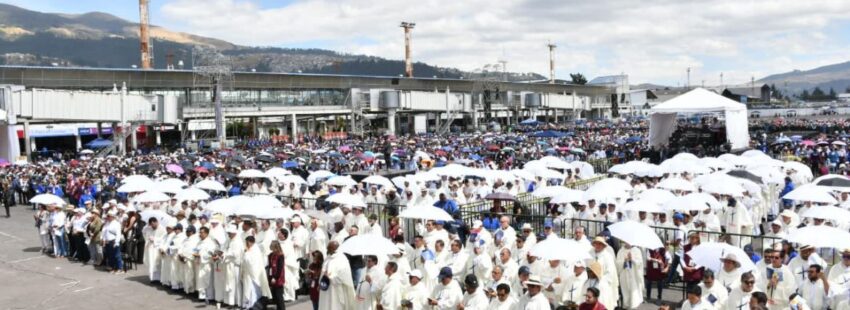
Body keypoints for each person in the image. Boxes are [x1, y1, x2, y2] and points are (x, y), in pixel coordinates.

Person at [318, 241, 356, 310]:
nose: (327, 250)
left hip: (336, 290)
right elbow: (322, 272)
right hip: (326, 290)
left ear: (334, 248)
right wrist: (321, 280)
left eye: (328, 248)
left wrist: (330, 277)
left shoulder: (342, 259)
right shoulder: (327, 258)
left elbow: (344, 277)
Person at [241, 235, 271, 309]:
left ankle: (253, 305)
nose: (246, 244)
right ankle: (248, 304)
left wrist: (246, 253)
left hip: (253, 274)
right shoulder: (251, 249)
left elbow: (251, 263)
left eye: (247, 242)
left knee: (252, 291)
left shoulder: (255, 250)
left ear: (250, 242)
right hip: (248, 273)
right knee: (248, 290)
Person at [616, 242, 645, 309]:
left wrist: (632, 259)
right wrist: (624, 260)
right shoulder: (621, 251)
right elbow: (617, 263)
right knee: (625, 295)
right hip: (624, 275)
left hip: (634, 276)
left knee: (634, 296)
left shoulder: (637, 250)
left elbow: (640, 263)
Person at [142, 217, 166, 282]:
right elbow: (144, 232)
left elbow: (164, 239)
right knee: (151, 263)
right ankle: (152, 278)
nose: (152, 226)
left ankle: (159, 278)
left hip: (157, 248)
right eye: (151, 224)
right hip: (150, 248)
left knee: (157, 263)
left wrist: (155, 239)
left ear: (156, 222)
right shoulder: (148, 228)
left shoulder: (162, 229)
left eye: (153, 224)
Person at [268, 240, 287, 310]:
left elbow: (280, 268)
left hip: (278, 278)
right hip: (272, 277)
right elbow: (270, 267)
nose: (273, 250)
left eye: (273, 248)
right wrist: (270, 278)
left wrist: (275, 278)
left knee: (279, 297)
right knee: (275, 297)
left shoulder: (280, 256)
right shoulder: (270, 255)